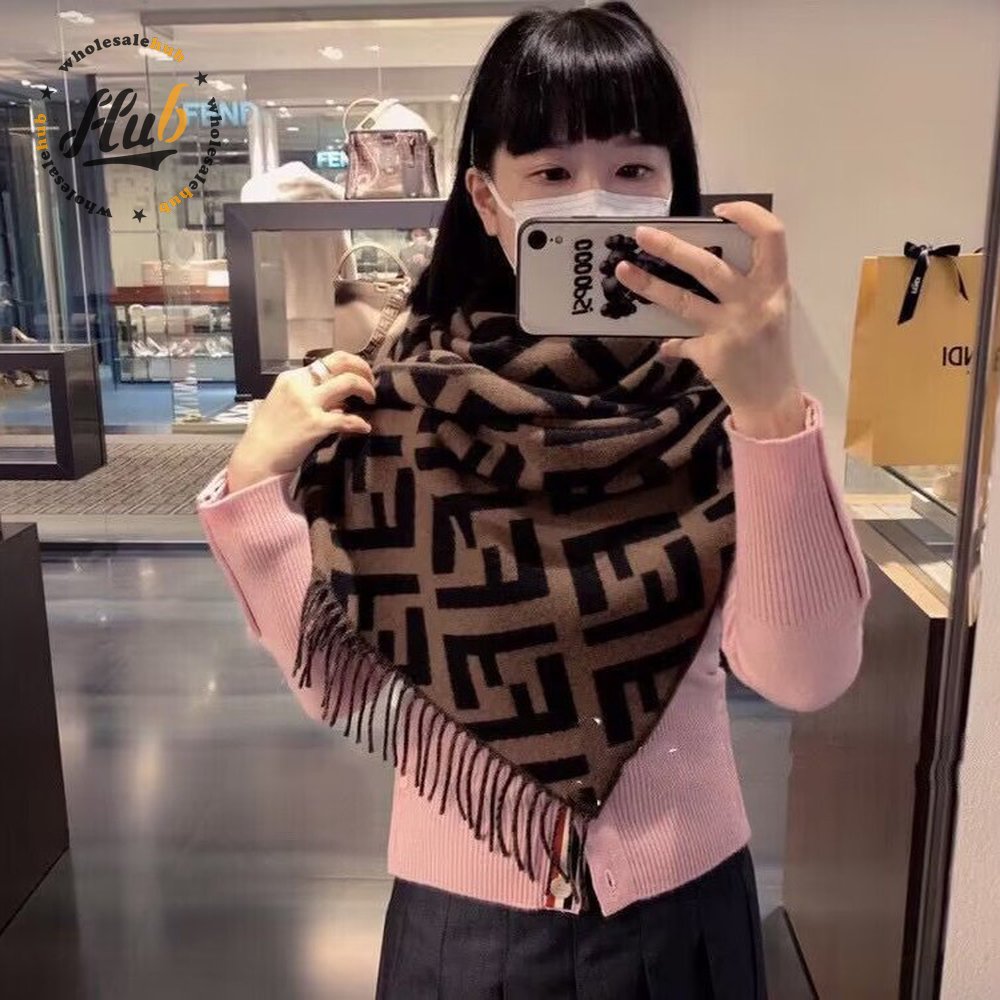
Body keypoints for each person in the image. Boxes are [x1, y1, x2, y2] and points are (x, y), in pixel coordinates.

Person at [197, 3, 871, 997]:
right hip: (460, 915)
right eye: (552, 173)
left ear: (676, 185)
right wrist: (256, 482)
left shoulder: (723, 401)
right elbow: (347, 679)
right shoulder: (400, 396)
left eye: (633, 168)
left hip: (683, 906)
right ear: (486, 196)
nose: (595, 202)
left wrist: (770, 407)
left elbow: (805, 673)